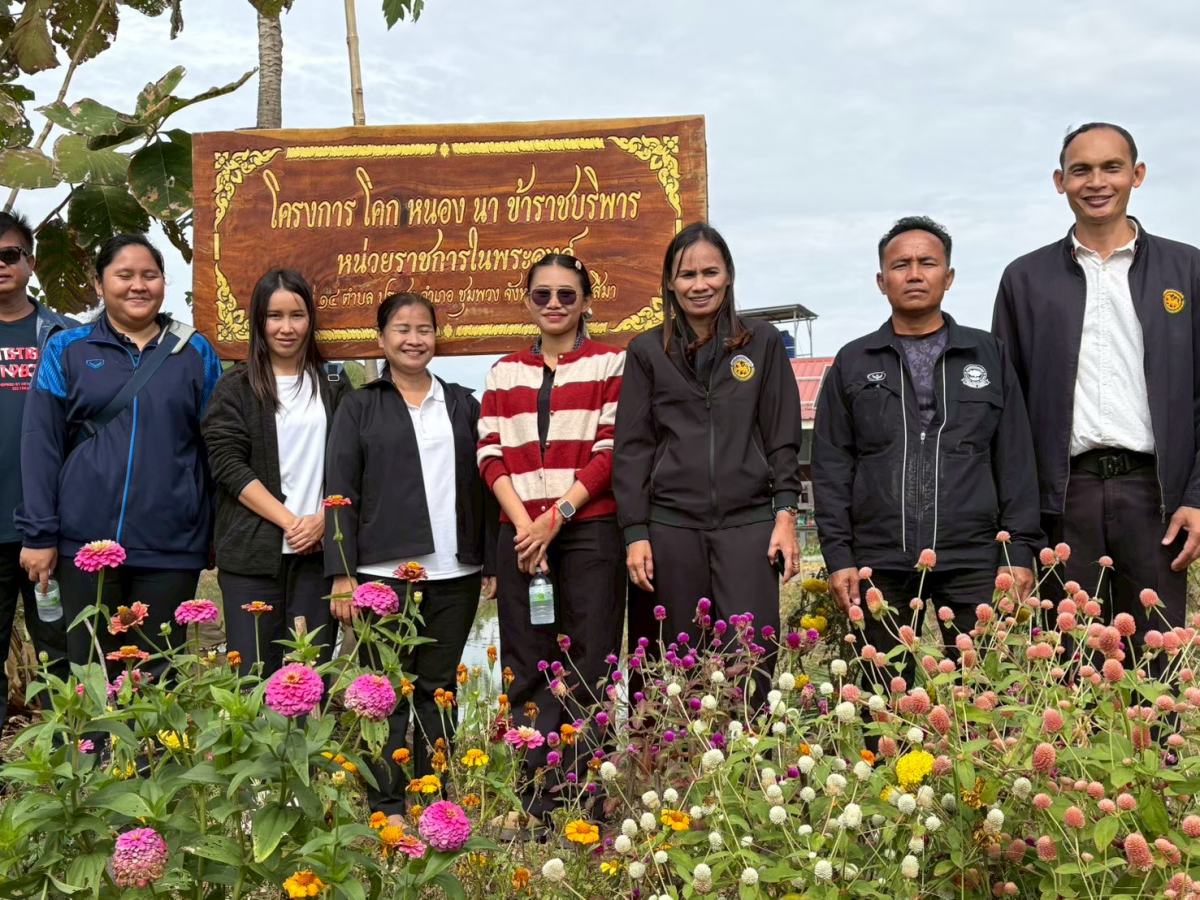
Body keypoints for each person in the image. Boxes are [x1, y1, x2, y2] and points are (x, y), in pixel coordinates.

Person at [993, 122, 1200, 652]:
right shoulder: (1025, 279)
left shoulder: (1187, 268)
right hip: (1064, 499)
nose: (1096, 181)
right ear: (1060, 181)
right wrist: (1019, 526)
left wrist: (1196, 496)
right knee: (1070, 663)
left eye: (1111, 167)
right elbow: (1007, 413)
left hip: (1156, 498)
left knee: (1159, 658)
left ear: (1138, 174)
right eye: (1081, 170)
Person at [813, 217, 1041, 685]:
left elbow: (1015, 460)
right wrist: (840, 557)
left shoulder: (988, 355)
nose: (914, 274)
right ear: (882, 281)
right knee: (885, 697)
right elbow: (832, 466)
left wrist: (1017, 552)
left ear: (948, 276)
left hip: (974, 557)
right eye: (900, 265)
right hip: (881, 561)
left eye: (927, 263)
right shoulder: (853, 362)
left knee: (982, 696)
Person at [325, 292, 496, 824]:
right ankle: (388, 804)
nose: (414, 338)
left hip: (456, 572)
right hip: (383, 576)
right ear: (382, 339)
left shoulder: (463, 403)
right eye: (401, 329)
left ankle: (436, 798)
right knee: (387, 693)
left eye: (424, 329)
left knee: (438, 691)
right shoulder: (360, 405)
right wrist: (342, 575)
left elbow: (486, 484)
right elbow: (338, 492)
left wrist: (487, 560)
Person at [614, 222, 803, 706]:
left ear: (729, 276)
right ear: (670, 283)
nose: (699, 284)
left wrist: (785, 515)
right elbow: (633, 448)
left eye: (710, 272)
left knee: (753, 656)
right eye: (687, 274)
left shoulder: (760, 343)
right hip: (671, 528)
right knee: (671, 664)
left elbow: (782, 438)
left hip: (749, 526)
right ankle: (670, 768)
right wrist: (635, 531)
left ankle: (750, 766)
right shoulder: (646, 351)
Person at [17, 233, 221, 677]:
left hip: (170, 545)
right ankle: (93, 749)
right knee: (92, 675)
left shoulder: (195, 352)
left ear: (164, 282)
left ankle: (149, 752)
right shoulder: (66, 349)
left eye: (150, 275)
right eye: (123, 275)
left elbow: (214, 446)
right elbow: (40, 443)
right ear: (98, 282)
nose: (138, 286)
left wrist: (210, 532)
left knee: (155, 678)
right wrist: (39, 534)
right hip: (84, 545)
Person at [477, 253, 625, 833]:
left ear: (587, 300)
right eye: (543, 295)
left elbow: (611, 450)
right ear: (528, 301)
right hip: (519, 538)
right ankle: (535, 799)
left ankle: (585, 798)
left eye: (567, 294)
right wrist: (525, 525)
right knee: (529, 664)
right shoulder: (502, 372)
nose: (556, 304)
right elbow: (489, 454)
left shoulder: (611, 363)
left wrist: (555, 518)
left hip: (587, 531)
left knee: (589, 665)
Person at [202, 269, 350, 676]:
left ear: (310, 320)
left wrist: (323, 521)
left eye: (297, 316)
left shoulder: (334, 384)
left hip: (317, 557)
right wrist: (291, 523)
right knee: (252, 677)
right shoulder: (234, 387)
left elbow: (354, 464)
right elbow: (228, 465)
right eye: (275, 316)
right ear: (259, 322)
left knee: (308, 674)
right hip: (253, 557)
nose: (287, 328)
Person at [0, 211, 70, 733]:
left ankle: (70, 771)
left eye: (9, 255)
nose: (0, 266)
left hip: (49, 529)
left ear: (30, 262)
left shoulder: (65, 339)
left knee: (59, 653)